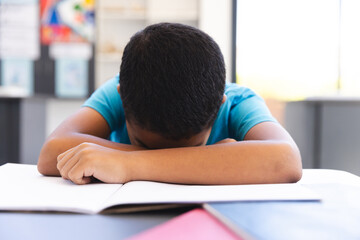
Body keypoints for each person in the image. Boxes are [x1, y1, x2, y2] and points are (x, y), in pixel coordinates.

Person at [37, 23, 302, 185]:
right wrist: (210, 158)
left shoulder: (238, 101)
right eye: (143, 144)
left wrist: (127, 164)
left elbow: (286, 160)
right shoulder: (127, 88)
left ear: (220, 106)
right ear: (122, 97)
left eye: (195, 149)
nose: (165, 153)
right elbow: (51, 153)